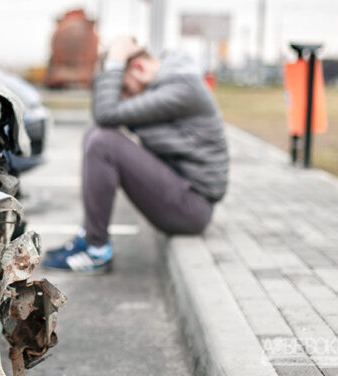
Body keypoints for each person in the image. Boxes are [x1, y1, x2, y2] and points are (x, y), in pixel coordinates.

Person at [42, 37, 229, 273]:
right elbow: (106, 116)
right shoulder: (172, 81)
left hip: (192, 207)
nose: (125, 99)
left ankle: (96, 250)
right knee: (98, 134)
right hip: (182, 193)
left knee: (103, 141)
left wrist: (115, 61)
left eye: (126, 90)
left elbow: (107, 112)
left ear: (139, 68)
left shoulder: (181, 87)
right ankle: (89, 236)